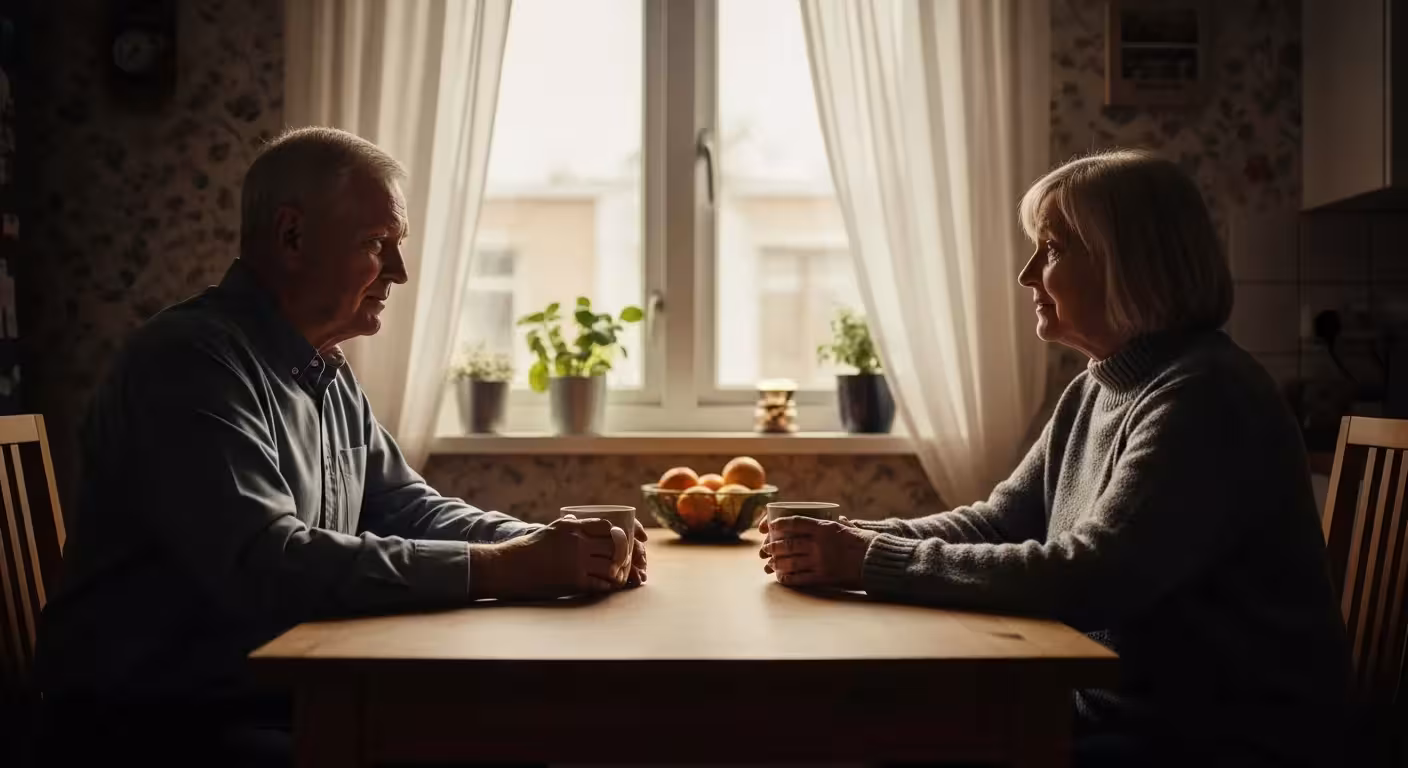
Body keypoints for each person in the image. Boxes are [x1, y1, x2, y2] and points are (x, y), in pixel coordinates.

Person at [35, 126, 648, 765]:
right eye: (377, 244)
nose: (400, 272)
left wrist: (546, 544)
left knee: (507, 736)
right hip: (153, 728)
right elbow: (268, 565)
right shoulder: (190, 362)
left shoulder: (324, 369)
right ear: (292, 236)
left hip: (267, 700)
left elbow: (409, 507)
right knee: (496, 743)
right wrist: (502, 568)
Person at [761, 149, 1349, 767]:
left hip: (1212, 740)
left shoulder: (1205, 395)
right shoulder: (1097, 388)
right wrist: (853, 538)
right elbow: (997, 522)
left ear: (1130, 264)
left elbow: (1094, 576)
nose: (1027, 274)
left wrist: (869, 559)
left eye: (1054, 249)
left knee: (860, 738)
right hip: (1119, 715)